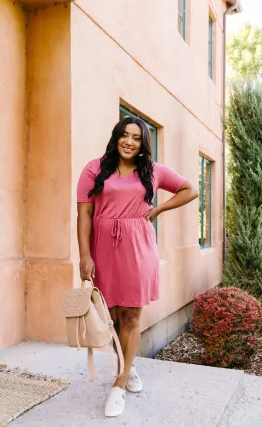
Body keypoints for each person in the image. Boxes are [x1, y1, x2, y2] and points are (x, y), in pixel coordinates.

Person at [77, 116, 198, 417]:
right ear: (116, 137)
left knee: (131, 315)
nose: (129, 142)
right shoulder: (94, 169)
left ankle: (119, 383)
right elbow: (84, 215)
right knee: (113, 316)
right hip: (103, 248)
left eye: (136, 137)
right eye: (124, 135)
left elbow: (190, 189)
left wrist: (158, 209)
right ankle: (127, 366)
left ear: (143, 143)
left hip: (138, 247)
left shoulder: (152, 171)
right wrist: (84, 255)